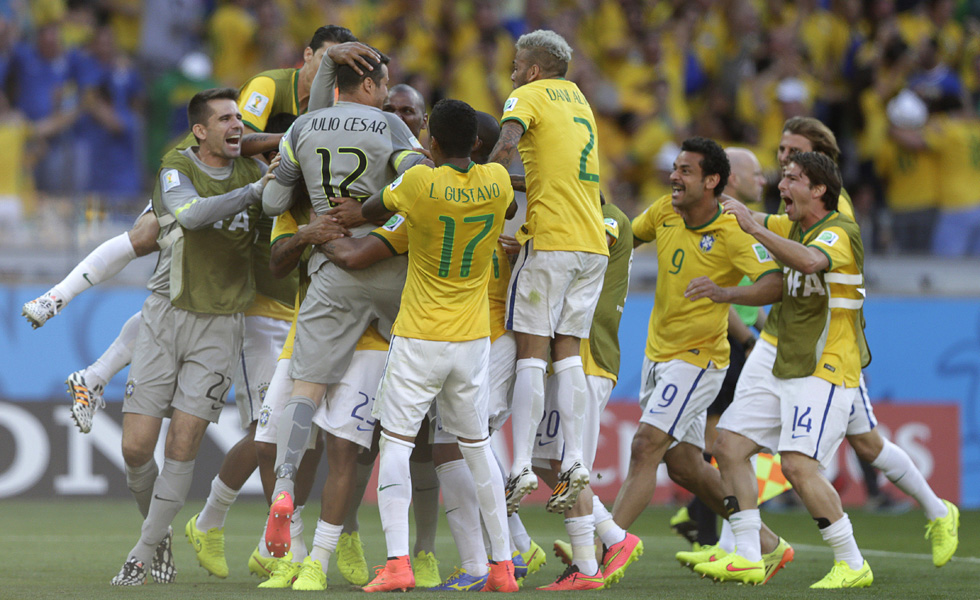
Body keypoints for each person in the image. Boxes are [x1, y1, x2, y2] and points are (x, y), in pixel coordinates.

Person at [259, 47, 427, 563]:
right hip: (390, 264)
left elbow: (271, 203)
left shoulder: (302, 129)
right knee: (428, 395)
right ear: (374, 88)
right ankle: (431, 544)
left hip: (330, 269)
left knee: (305, 390)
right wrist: (368, 210)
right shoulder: (390, 127)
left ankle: (285, 483)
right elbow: (417, 181)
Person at [596, 137, 786, 587]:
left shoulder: (733, 230)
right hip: (658, 354)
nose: (674, 177)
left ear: (712, 180)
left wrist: (727, 293)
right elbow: (625, 234)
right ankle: (768, 543)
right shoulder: (665, 210)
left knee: (645, 446)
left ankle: (603, 550)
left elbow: (774, 284)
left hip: (699, 359)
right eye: (675, 169)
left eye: (685, 171)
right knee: (684, 466)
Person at [110, 87, 275, 585]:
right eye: (224, 118)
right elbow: (190, 216)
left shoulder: (256, 170)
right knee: (136, 450)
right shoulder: (176, 167)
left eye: (239, 119)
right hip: (165, 316)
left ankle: (140, 557)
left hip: (222, 325)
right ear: (199, 130)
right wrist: (254, 193)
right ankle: (158, 535)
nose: (236, 126)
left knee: (183, 443)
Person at [359, 98, 517, 593]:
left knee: (397, 446)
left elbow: (370, 209)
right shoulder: (495, 182)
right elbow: (510, 202)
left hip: (419, 335)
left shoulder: (420, 182)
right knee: (477, 451)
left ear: (430, 142)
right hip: (472, 341)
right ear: (475, 142)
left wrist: (417, 167)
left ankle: (398, 564)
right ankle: (503, 567)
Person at [696, 151, 874, 588]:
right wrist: (725, 293)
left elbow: (810, 262)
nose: (781, 186)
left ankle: (852, 562)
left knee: (797, 466)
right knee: (729, 446)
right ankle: (750, 554)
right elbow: (773, 272)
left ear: (818, 189)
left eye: (792, 179)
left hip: (827, 367)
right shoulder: (791, 227)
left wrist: (754, 226)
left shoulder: (840, 232)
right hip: (787, 362)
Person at [486, 29, 609, 516]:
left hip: (551, 239)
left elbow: (507, 144)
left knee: (531, 352)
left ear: (534, 70)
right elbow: (553, 170)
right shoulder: (578, 100)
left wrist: (483, 178)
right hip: (591, 243)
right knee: (568, 351)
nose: (512, 73)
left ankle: (520, 467)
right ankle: (575, 460)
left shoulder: (526, 95)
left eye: (517, 65)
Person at [536, 194, 633, 590]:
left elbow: (585, 251)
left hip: (589, 358)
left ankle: (587, 569)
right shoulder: (591, 217)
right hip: (567, 359)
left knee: (568, 463)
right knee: (541, 458)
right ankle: (613, 536)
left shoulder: (609, 220)